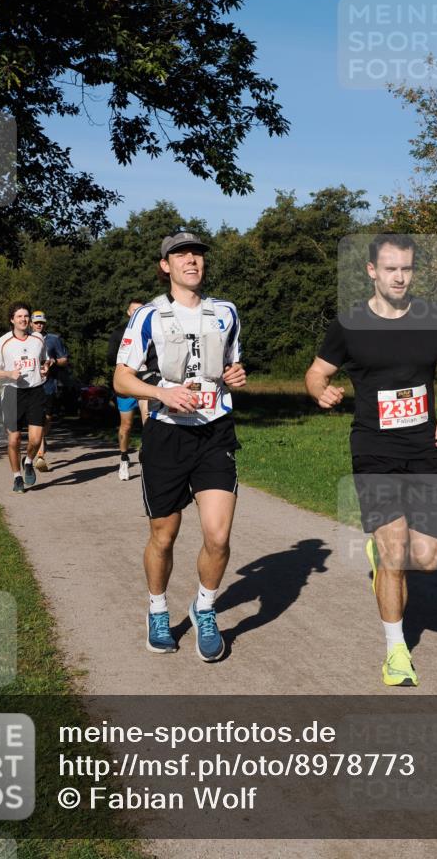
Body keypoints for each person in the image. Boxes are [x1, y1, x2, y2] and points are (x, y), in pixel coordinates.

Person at [305, 232, 437, 687]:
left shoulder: (435, 319)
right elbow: (316, 372)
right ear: (372, 271)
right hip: (373, 450)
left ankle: (382, 554)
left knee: (429, 558)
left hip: (424, 450)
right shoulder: (349, 325)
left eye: (407, 268)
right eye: (391, 268)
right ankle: (396, 651)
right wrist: (322, 391)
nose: (399, 276)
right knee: (395, 553)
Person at [114, 230, 246, 661]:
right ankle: (157, 609)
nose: (191, 260)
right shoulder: (148, 317)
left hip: (215, 431)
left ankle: (204, 609)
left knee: (218, 534)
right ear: (165, 265)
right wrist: (163, 394)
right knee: (164, 535)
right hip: (168, 433)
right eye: (180, 254)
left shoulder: (225, 312)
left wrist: (234, 376)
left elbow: (229, 366)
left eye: (197, 254)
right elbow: (121, 379)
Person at [0, 301, 54, 493]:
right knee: (14, 439)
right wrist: (8, 374)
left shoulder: (38, 338)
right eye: (19, 316)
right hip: (12, 392)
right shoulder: (3, 342)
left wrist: (46, 368)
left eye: (26, 316)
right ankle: (17, 477)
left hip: (35, 391)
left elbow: (45, 360)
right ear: (12, 320)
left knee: (35, 439)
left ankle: (29, 461)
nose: (23, 319)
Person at [108, 300, 149, 481]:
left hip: (146, 382)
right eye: (134, 310)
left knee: (149, 422)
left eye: (141, 310)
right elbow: (110, 358)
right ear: (128, 313)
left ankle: (146, 454)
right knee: (126, 425)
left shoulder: (151, 331)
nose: (137, 313)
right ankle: (124, 458)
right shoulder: (119, 333)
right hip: (126, 383)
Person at [29, 310, 70, 472]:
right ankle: (39, 454)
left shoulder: (54, 339)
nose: (39, 325)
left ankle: (41, 438)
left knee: (46, 418)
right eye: (36, 322)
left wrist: (54, 361)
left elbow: (64, 359)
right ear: (31, 323)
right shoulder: (25, 340)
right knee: (36, 418)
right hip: (30, 385)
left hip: (49, 384)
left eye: (42, 322)